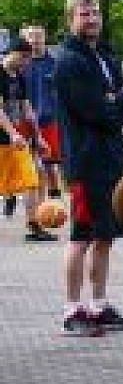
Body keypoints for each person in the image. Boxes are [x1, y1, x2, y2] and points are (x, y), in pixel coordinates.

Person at [53, 0, 123, 336]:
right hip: (86, 162)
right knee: (82, 235)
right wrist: (117, 100)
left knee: (106, 235)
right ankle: (72, 310)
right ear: (70, 20)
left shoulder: (105, 55)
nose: (92, 18)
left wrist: (118, 98)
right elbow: (98, 113)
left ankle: (99, 305)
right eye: (84, 13)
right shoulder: (70, 62)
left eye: (96, 12)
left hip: (111, 161)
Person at [0, 36, 51, 240]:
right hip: (6, 138)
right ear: (11, 53)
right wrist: (12, 133)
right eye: (22, 57)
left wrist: (38, 137)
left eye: (28, 58)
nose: (25, 62)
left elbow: (27, 109)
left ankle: (34, 225)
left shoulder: (18, 76)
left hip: (16, 141)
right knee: (7, 184)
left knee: (35, 176)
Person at [21, 24, 63, 200]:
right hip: (24, 119)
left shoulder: (56, 61)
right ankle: (33, 202)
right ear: (26, 39)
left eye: (39, 36)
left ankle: (54, 199)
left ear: (45, 38)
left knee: (49, 163)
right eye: (32, 36)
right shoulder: (21, 63)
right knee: (28, 162)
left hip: (49, 119)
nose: (35, 40)